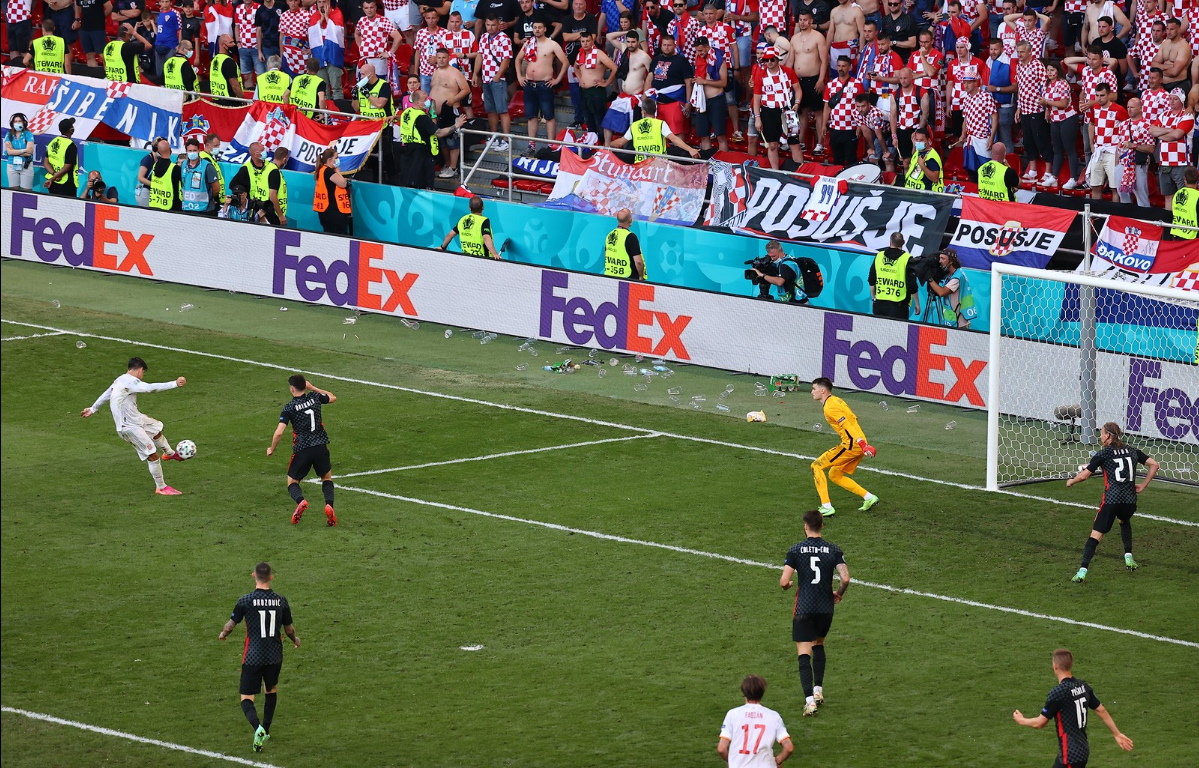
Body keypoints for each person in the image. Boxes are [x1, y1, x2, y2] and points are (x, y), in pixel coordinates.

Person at [217, 562, 300, 753]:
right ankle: (267, 729)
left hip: (253, 655)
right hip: (274, 654)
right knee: (270, 690)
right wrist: (295, 639)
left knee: (247, 697)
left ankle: (258, 728)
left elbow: (230, 625)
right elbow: (288, 629)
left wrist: (223, 634)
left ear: (253, 575)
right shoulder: (281, 601)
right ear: (271, 577)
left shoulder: (245, 600)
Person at [80, 357, 188, 496]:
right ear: (140, 370)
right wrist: (174, 383)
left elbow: (107, 393)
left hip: (136, 418)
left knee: (155, 428)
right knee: (152, 455)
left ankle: (170, 454)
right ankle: (161, 487)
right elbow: (150, 388)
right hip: (128, 427)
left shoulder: (120, 380)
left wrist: (93, 408)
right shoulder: (130, 381)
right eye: (143, 373)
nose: (142, 376)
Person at [1065, 422, 1159, 582]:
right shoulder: (1132, 450)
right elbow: (1155, 465)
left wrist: (1071, 482)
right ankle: (1128, 556)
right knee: (1124, 520)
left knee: (1095, 535)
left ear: (1108, 435)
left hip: (1111, 500)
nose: (1100, 436)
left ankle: (1082, 572)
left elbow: (1084, 476)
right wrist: (1143, 486)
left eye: (1101, 433)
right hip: (1130, 500)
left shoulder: (1104, 453)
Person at [781, 509, 851, 717]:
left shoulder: (795, 550)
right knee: (818, 643)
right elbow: (845, 578)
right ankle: (818, 691)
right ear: (822, 525)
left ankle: (809, 702)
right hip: (825, 607)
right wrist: (838, 593)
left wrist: (789, 584)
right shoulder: (833, 549)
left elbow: (784, 582)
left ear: (805, 527)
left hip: (804, 607)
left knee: (804, 651)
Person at [1012, 649, 1134, 765]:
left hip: (1070, 756)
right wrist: (1117, 734)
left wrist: (1022, 720)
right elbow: (1100, 710)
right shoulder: (1083, 686)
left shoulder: (1058, 692)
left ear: (1055, 667)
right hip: (1082, 750)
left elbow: (1040, 723)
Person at [267, 374, 338, 525]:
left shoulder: (289, 408)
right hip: (320, 446)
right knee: (326, 478)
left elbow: (279, 432)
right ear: (305, 386)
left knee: (292, 481)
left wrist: (272, 448)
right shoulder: (315, 397)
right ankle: (329, 506)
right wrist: (313, 388)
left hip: (302, 449)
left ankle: (301, 501)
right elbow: (332, 397)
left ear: (292, 389)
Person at [809, 377, 878, 517]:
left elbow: (846, 424)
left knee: (816, 466)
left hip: (852, 445)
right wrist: (862, 442)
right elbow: (854, 419)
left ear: (822, 391)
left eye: (814, 389)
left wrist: (861, 444)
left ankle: (826, 506)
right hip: (858, 442)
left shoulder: (830, 407)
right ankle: (869, 497)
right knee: (835, 474)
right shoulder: (837, 400)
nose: (812, 392)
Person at [515, 19, 568, 155]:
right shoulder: (528, 43)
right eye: (535, 27)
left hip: (545, 84)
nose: (537, 29)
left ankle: (551, 146)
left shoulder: (552, 44)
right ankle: (531, 146)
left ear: (545, 29)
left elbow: (565, 62)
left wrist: (557, 80)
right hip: (529, 84)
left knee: (549, 116)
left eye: (540, 27)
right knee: (531, 116)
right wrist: (520, 76)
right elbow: (518, 59)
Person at [716, 675, 794, 767]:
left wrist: (732, 761)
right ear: (762, 693)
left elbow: (721, 749)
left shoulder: (733, 714)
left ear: (744, 692)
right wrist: (777, 761)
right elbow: (789, 747)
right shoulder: (773, 716)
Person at [752, 46, 802, 169]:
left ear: (778, 60)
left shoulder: (788, 72)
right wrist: (757, 118)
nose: (769, 63)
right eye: (766, 60)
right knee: (772, 144)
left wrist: (797, 103)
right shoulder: (761, 75)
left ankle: (802, 173)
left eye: (772, 60)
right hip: (769, 111)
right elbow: (756, 99)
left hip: (787, 110)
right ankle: (776, 172)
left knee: (794, 143)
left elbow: (798, 90)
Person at [611, 96, 700, 161]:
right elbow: (674, 139)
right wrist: (690, 149)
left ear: (643, 112)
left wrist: (608, 145)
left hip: (641, 165)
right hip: (659, 165)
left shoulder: (634, 126)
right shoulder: (660, 124)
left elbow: (620, 143)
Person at [475, 15, 514, 144]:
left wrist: (498, 75)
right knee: (490, 110)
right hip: (486, 78)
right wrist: (476, 74)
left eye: (493, 25)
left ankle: (506, 139)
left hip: (498, 79)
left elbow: (506, 59)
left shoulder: (504, 38)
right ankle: (493, 137)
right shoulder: (484, 37)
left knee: (502, 110)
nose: (490, 28)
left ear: (498, 25)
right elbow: (480, 55)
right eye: (488, 25)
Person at [229, 142, 287, 225]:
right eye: (262, 150)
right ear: (256, 154)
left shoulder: (271, 168)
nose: (265, 152)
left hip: (269, 210)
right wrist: (244, 198)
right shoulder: (246, 169)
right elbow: (233, 185)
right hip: (253, 211)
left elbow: (273, 195)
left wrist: (280, 215)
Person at [691, 36, 729, 152]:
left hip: (716, 100)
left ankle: (724, 165)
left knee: (720, 136)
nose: (700, 53)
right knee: (704, 136)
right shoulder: (697, 59)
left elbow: (724, 82)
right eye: (697, 50)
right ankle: (707, 163)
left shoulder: (718, 59)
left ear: (708, 47)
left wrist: (705, 81)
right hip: (702, 101)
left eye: (702, 50)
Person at [923, 248, 976, 328]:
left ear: (951, 261)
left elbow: (942, 292)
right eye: (940, 258)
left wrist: (929, 278)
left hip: (959, 323)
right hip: (953, 320)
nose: (940, 261)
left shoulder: (957, 277)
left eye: (943, 258)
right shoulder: (951, 274)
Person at [312, 146, 352, 234]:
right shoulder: (329, 171)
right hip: (334, 212)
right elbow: (343, 183)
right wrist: (338, 171)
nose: (338, 160)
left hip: (325, 212)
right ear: (330, 160)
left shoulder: (321, 170)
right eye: (336, 158)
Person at [602, 208, 645, 280]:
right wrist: (641, 276)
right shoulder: (631, 237)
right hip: (627, 279)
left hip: (609, 277)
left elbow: (606, 255)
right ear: (630, 220)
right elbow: (638, 262)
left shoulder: (610, 235)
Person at [180, 137, 220, 214]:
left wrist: (209, 197)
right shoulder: (184, 164)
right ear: (186, 151)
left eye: (194, 150)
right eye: (190, 151)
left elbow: (216, 188)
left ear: (199, 150)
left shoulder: (207, 166)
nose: (192, 153)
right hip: (187, 207)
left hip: (204, 209)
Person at [43, 119, 79, 198]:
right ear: (71, 130)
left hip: (53, 182)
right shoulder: (70, 145)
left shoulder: (52, 142)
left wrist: (54, 175)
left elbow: (46, 163)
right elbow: (66, 168)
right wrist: (53, 178)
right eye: (72, 126)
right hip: (66, 183)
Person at [148, 137, 183, 211]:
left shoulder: (155, 165)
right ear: (170, 150)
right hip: (172, 207)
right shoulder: (175, 168)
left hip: (155, 205)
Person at [4, 113, 36, 192]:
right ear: (12, 123)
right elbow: (9, 152)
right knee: (13, 190)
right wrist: (24, 150)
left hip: (26, 165)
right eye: (15, 121)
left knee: (27, 191)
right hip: (12, 165)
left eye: (19, 121)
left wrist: (14, 151)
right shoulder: (9, 135)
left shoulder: (28, 134)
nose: (17, 123)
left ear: (24, 122)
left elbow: (29, 153)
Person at [209, 33, 245, 98]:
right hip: (230, 101)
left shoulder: (215, 59)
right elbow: (234, 86)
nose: (234, 44)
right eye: (231, 42)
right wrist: (243, 100)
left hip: (217, 98)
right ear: (223, 45)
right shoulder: (229, 62)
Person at [1169, 167, 1198, 239]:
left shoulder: (1177, 193)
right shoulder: (1197, 196)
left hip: (1176, 234)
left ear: (1184, 179)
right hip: (1193, 238)